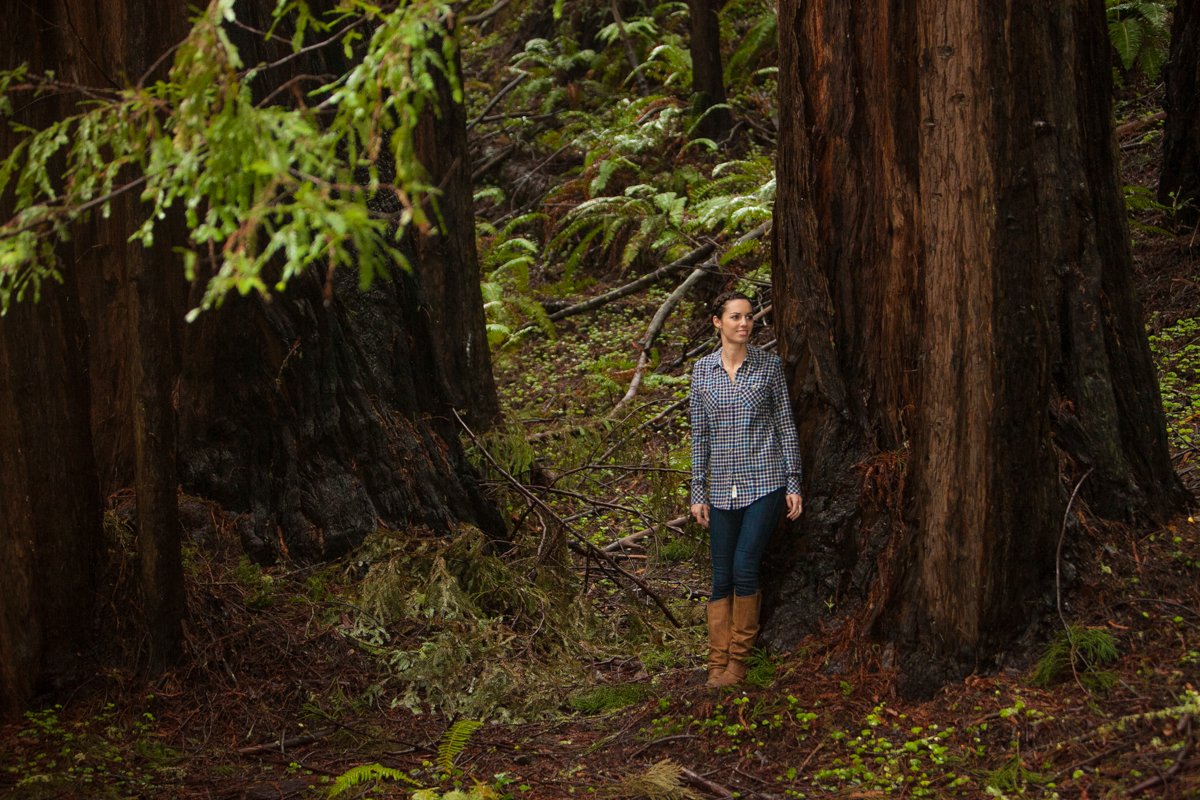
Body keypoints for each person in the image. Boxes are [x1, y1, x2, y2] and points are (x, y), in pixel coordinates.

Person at [689, 291, 803, 688]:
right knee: (721, 576)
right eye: (735, 317)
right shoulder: (701, 372)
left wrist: (793, 482)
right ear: (717, 322)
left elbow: (786, 426)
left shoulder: (769, 367)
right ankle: (715, 662)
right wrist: (697, 491)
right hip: (721, 487)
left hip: (764, 482)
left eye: (749, 317)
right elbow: (699, 436)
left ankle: (738, 662)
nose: (744, 323)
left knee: (743, 566)